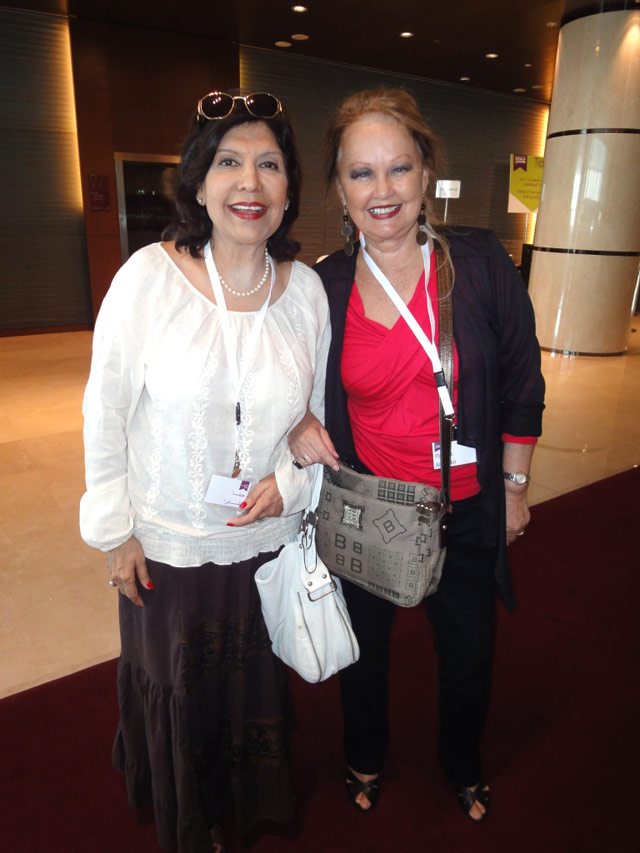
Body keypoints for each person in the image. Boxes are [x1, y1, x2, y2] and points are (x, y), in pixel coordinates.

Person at [80, 91, 330, 852]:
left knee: (250, 683)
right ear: (198, 181)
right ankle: (191, 815)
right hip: (171, 546)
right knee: (183, 687)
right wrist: (115, 532)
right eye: (229, 162)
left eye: (269, 165)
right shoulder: (148, 278)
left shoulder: (306, 291)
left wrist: (290, 485)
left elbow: (314, 424)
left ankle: (248, 802)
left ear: (288, 189)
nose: (249, 183)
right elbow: (105, 410)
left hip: (265, 540)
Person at [289, 88, 545, 822]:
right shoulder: (325, 286)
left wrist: (515, 487)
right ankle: (363, 755)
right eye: (361, 172)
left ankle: (463, 763)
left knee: (468, 654)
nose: (383, 189)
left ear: (426, 173)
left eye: (398, 167)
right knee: (364, 652)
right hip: (372, 508)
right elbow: (280, 375)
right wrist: (296, 421)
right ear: (339, 188)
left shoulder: (480, 262)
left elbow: (522, 379)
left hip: (466, 509)